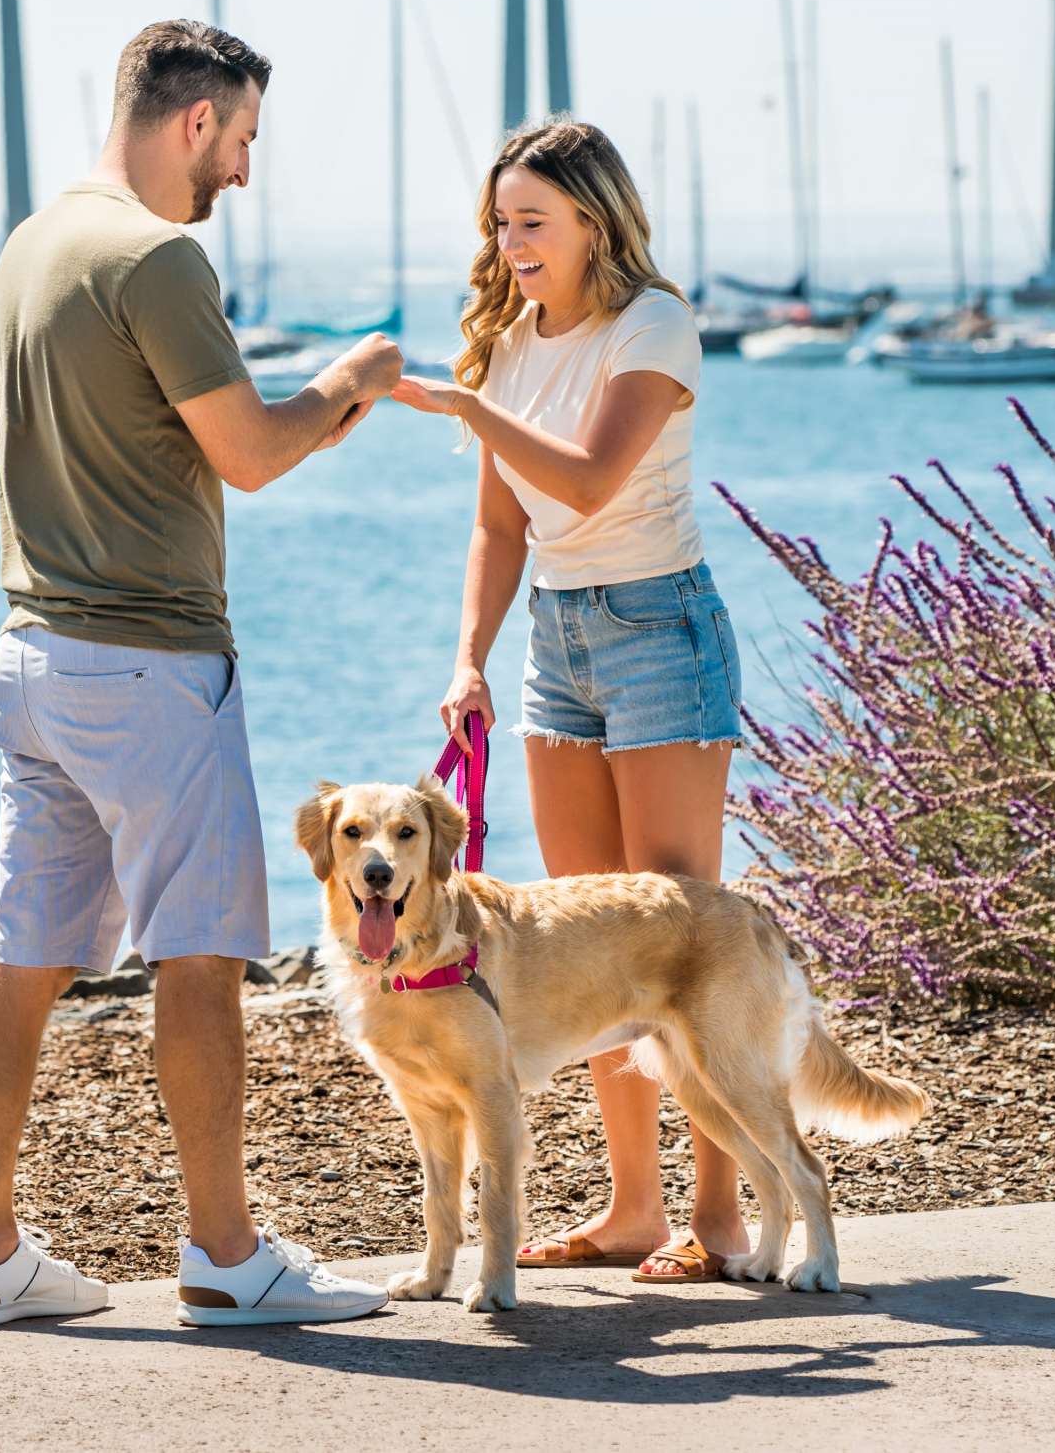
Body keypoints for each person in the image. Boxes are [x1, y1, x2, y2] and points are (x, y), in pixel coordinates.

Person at [0, 19, 400, 1329]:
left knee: (23, 956)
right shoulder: (159, 260)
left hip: (31, 659)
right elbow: (250, 452)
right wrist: (349, 383)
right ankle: (225, 1255)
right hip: (149, 666)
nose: (244, 174)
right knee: (198, 958)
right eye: (243, 139)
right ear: (196, 120)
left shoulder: (31, 246)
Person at [391, 120, 747, 1284]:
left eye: (531, 222)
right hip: (556, 638)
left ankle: (720, 1216)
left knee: (683, 937)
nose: (511, 243)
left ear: (594, 220)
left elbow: (588, 483)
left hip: (659, 630)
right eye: (500, 222)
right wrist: (468, 659)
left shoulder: (654, 324)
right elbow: (503, 526)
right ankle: (632, 1209)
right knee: (591, 943)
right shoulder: (504, 345)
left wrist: (470, 410)